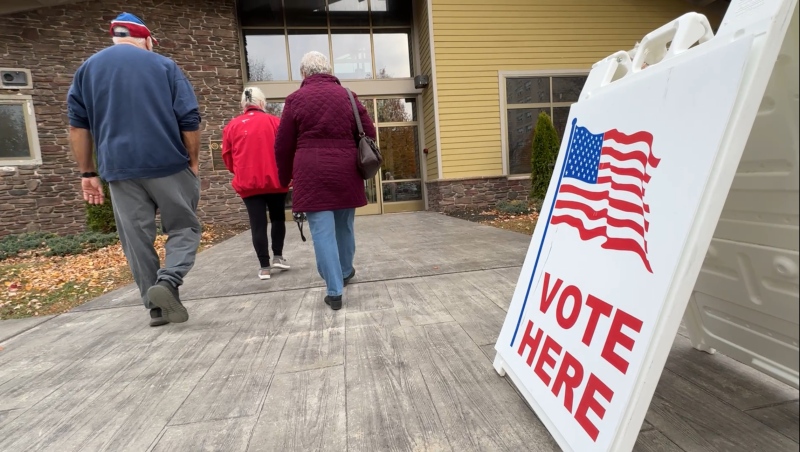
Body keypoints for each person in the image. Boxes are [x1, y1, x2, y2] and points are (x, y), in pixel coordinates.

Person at [67, 12, 202, 327]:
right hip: (167, 162)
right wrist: (193, 160)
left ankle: (155, 309)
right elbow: (189, 119)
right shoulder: (164, 66)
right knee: (184, 227)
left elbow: (78, 127)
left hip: (119, 168)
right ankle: (167, 283)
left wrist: (88, 173)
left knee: (136, 239)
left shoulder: (87, 70)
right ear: (145, 38)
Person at [274, 51, 376, 311]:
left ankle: (334, 291)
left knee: (322, 233)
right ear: (329, 71)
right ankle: (344, 271)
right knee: (345, 228)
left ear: (304, 73)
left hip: (311, 173)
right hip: (346, 171)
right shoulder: (349, 97)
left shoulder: (295, 99)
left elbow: (283, 146)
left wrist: (284, 179)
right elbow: (370, 131)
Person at [222, 87, 291, 280]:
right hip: (275, 180)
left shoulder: (232, 126)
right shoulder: (275, 122)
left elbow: (227, 156)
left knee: (257, 224)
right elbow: (285, 151)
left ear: (244, 104)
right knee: (278, 218)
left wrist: (239, 171)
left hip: (249, 183)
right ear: (262, 103)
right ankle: (278, 255)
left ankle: (264, 267)